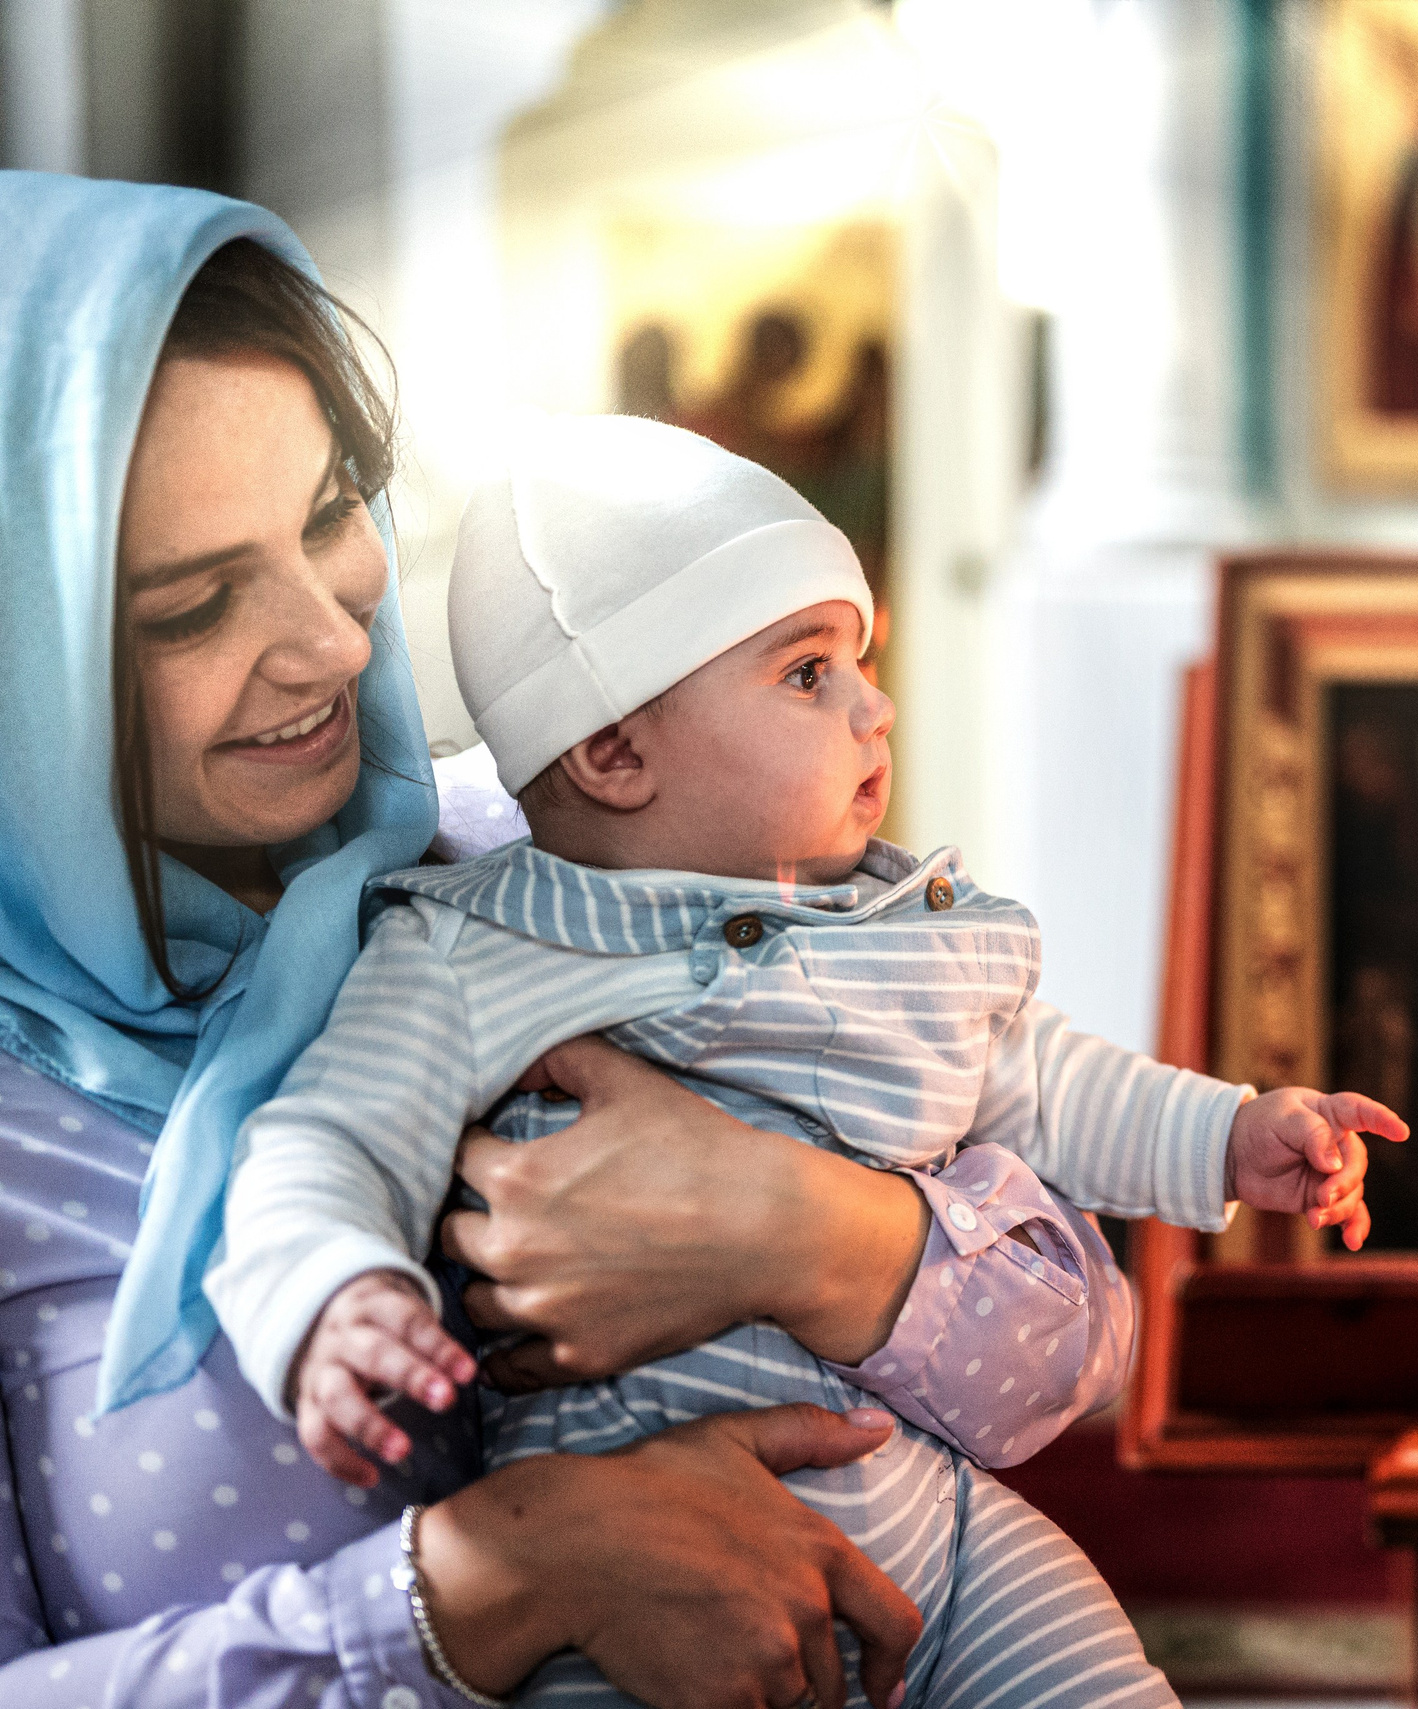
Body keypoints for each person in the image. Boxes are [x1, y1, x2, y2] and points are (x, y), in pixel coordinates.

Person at [0, 170, 1127, 1709]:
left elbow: (1082, 1327)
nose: (337, 639)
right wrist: (496, 1578)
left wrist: (802, 1227)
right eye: (193, 605)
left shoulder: (561, 845)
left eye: (333, 510)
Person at [201, 413, 1407, 1707]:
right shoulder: (472, 949)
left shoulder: (904, 935)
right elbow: (327, 1139)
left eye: (861, 660)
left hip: (930, 1518)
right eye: (806, 673)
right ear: (614, 750)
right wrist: (332, 1298)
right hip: (637, 1547)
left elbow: (1050, 1083)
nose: (873, 704)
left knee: (1102, 1677)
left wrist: (1228, 1133)